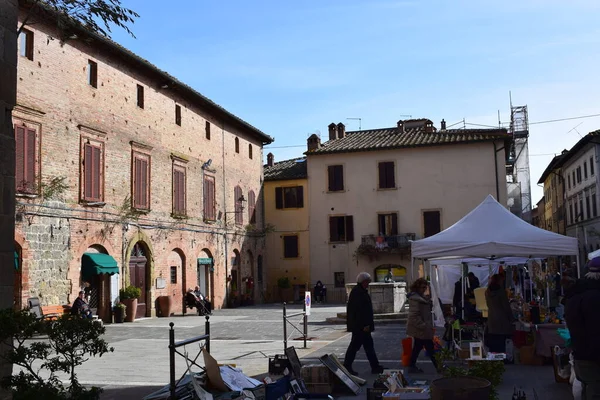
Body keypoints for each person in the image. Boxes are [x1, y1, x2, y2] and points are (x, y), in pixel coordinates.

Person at [565, 258, 600, 399]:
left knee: (588, 389)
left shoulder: (575, 295)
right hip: (594, 356)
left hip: (581, 354)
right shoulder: (594, 298)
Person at [343, 272, 385, 376]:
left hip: (361, 326)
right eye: (367, 281)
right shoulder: (358, 292)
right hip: (360, 327)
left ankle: (375, 366)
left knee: (367, 346)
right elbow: (359, 311)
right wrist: (365, 325)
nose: (369, 283)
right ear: (363, 281)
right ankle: (347, 366)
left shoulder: (360, 291)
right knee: (355, 346)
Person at [406, 278, 438, 373]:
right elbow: (414, 315)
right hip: (420, 328)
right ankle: (439, 366)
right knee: (430, 347)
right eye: (422, 287)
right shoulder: (415, 299)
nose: (424, 289)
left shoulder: (421, 297)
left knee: (418, 347)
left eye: (425, 287)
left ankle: (411, 366)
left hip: (422, 328)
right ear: (417, 287)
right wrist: (423, 326)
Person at [485, 274, 514, 353]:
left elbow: (488, 305)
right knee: (502, 342)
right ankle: (502, 358)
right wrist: (511, 319)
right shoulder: (501, 292)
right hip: (502, 320)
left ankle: (494, 357)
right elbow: (506, 307)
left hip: (491, 319)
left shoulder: (487, 292)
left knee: (493, 342)